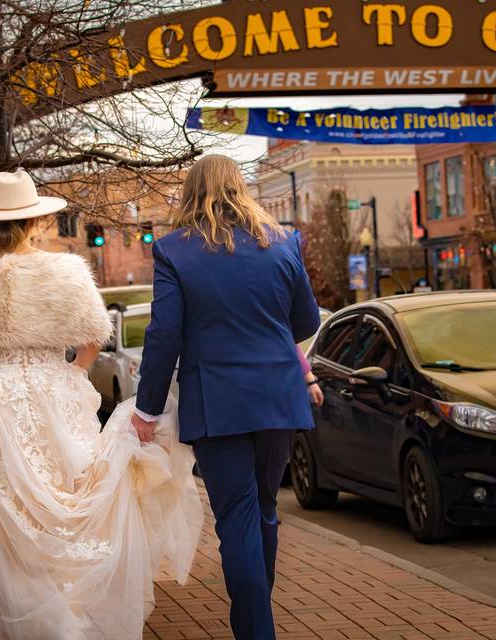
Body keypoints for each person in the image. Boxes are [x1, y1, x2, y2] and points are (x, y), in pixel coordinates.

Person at [0, 169, 202, 639]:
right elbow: (94, 336)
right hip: (53, 391)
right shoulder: (65, 269)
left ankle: (13, 616)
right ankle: (68, 611)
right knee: (66, 494)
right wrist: (73, 372)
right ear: (35, 222)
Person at [133, 154, 321, 640]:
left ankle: (256, 630)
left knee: (237, 518)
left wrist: (146, 407)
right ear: (241, 187)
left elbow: (164, 334)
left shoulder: (174, 249)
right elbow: (307, 322)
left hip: (218, 402)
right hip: (279, 397)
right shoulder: (283, 242)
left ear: (191, 191)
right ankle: (257, 616)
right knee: (263, 510)